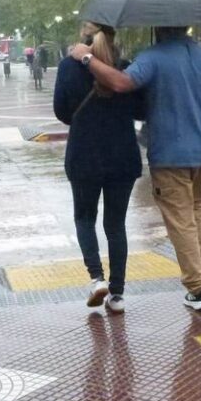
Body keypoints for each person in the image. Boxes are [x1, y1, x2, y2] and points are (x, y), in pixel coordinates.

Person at [70, 25, 201, 312]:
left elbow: (121, 83)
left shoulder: (153, 58)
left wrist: (87, 59)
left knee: (180, 220)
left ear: (158, 28)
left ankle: (197, 289)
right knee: (200, 207)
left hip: (170, 154)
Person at [55, 22, 143, 313]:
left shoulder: (69, 67)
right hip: (123, 156)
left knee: (84, 218)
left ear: (84, 35)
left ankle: (96, 279)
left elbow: (62, 112)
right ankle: (117, 295)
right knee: (116, 225)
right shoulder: (126, 68)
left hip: (84, 155)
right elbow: (142, 109)